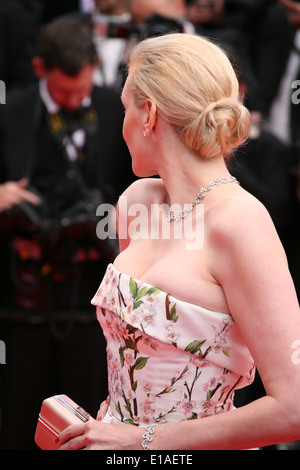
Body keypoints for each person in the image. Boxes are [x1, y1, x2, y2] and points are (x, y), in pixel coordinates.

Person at [57, 33, 300, 450]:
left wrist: (143, 440)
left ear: (148, 113)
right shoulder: (136, 203)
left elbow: (294, 407)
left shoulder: (240, 222)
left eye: (124, 109)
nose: (122, 126)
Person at [0, 17, 134, 450]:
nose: (77, 100)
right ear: (40, 68)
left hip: (94, 292)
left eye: (83, 91)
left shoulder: (116, 110)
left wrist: (121, 211)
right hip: (20, 295)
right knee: (19, 414)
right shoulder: (10, 109)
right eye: (64, 93)